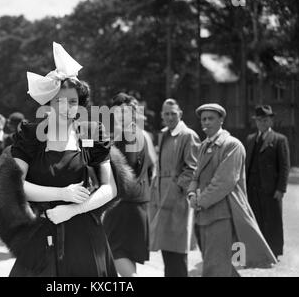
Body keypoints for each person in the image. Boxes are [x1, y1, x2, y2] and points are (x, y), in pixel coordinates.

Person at [0, 42, 120, 277]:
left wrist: (74, 209)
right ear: (49, 102)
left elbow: (109, 188)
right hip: (41, 231)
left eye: (72, 102)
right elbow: (16, 185)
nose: (66, 107)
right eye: (59, 101)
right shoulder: (31, 135)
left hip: (85, 236)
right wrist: (61, 195)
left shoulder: (91, 134)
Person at [187, 103, 277, 276]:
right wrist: (191, 193)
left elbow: (224, 181)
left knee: (216, 268)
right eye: (203, 119)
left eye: (211, 118)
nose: (206, 122)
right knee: (222, 266)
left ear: (221, 120)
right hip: (204, 215)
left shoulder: (232, 145)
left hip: (225, 214)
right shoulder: (203, 146)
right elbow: (195, 176)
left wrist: (199, 201)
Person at [102, 92, 156, 277]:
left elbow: (127, 168)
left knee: (115, 251)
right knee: (124, 255)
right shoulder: (138, 133)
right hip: (136, 203)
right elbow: (149, 170)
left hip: (125, 204)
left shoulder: (128, 134)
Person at [149, 98, 200, 277]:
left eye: (173, 113)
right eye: (166, 114)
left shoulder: (188, 135)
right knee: (166, 249)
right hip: (161, 198)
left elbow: (192, 169)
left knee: (178, 250)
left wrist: (177, 189)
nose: (170, 117)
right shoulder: (163, 134)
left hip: (177, 199)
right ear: (162, 116)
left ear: (180, 114)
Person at [245, 105, 290, 259]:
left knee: (272, 220)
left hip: (270, 189)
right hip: (252, 187)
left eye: (265, 120)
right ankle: (256, 251)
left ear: (271, 121)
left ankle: (274, 252)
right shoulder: (251, 139)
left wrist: (281, 189)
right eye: (258, 120)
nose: (261, 123)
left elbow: (284, 166)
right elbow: (246, 164)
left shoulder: (279, 139)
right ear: (255, 122)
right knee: (254, 219)